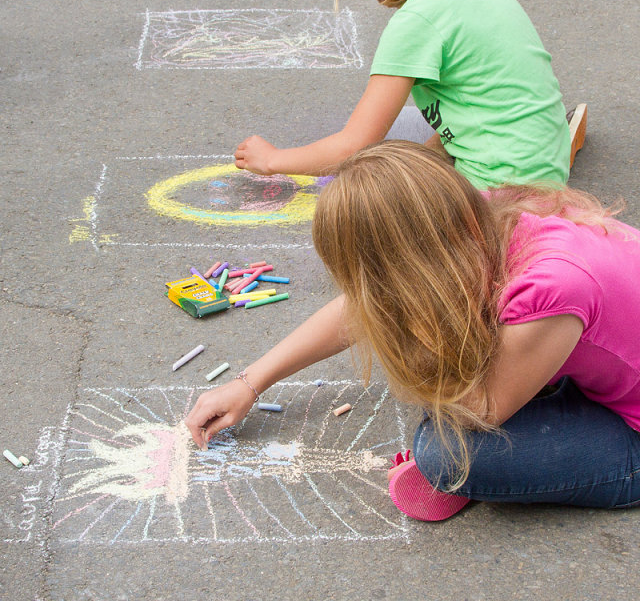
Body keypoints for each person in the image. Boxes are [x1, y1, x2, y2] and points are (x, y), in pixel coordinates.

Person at [185, 141, 640, 521]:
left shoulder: (551, 287)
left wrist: (419, 336)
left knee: (444, 454)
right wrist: (251, 381)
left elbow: (479, 409)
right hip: (596, 358)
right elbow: (365, 302)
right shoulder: (467, 215)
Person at [234, 0, 583, 189]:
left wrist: (273, 160)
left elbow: (352, 146)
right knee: (405, 141)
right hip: (545, 169)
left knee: (365, 190)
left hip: (501, 194)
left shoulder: (417, 20)